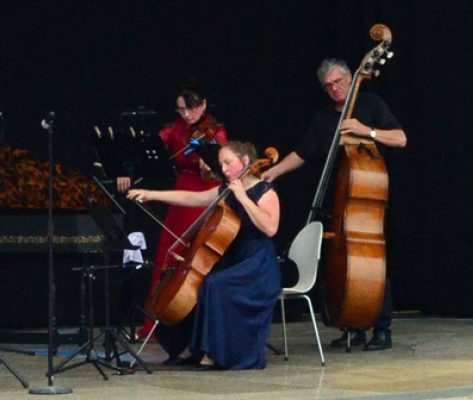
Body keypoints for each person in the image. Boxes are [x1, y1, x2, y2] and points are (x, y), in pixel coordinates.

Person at [261, 58, 407, 351]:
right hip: (338, 200)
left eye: (338, 82)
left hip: (367, 203)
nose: (334, 89)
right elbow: (302, 152)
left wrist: (368, 131)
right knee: (337, 265)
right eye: (327, 86)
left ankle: (381, 328)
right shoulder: (324, 118)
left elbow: (400, 139)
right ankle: (351, 325)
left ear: (352, 78)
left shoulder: (372, 104)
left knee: (373, 267)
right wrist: (274, 171)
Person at [128, 141, 281, 370]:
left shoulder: (265, 191)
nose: (224, 169)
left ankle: (216, 353)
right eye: (222, 164)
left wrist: (243, 198)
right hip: (234, 259)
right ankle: (196, 348)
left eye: (228, 162)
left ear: (246, 161)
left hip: (258, 264)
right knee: (199, 284)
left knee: (216, 284)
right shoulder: (225, 190)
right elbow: (192, 198)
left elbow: (270, 228)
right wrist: (151, 194)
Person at [120, 88, 228, 361]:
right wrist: (126, 169)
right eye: (181, 109)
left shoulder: (216, 133)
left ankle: (191, 320)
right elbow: (145, 153)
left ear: (203, 105)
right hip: (180, 195)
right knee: (166, 256)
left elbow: (219, 171)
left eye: (191, 108)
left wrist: (209, 167)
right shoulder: (175, 131)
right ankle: (157, 319)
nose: (186, 114)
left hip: (203, 197)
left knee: (194, 258)